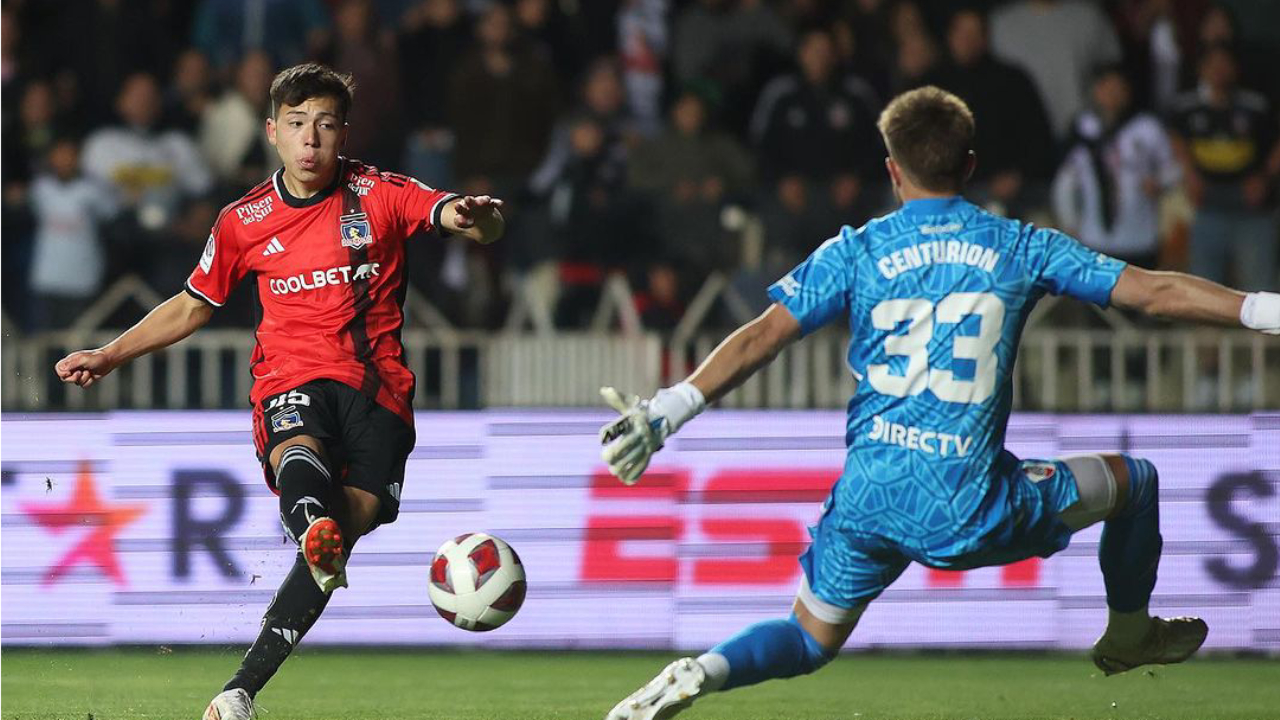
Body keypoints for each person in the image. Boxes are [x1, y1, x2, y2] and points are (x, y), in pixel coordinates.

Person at [597, 86, 1280, 720]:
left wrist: (668, 410)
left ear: (892, 170)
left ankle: (706, 672)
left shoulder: (858, 249)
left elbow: (761, 337)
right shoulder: (1020, 245)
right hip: (967, 505)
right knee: (1138, 482)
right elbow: (1154, 293)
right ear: (972, 164)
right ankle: (1130, 635)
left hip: (870, 497)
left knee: (807, 639)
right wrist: (1261, 307)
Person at [53, 63, 505, 720]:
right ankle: (307, 532)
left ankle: (241, 684)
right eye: (297, 125)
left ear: (343, 132)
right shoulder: (244, 220)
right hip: (290, 377)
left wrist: (478, 218)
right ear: (273, 132)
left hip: (379, 389)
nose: (311, 139)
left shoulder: (379, 192)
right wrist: (111, 353)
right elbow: (193, 302)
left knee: (356, 518)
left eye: (325, 124)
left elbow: (459, 218)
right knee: (299, 452)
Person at [1053, 66, 1180, 269]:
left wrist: (1159, 183)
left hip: (1140, 237)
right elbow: (1065, 181)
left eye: (1118, 88)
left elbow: (1173, 169)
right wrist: (1068, 222)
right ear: (1096, 91)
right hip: (1093, 238)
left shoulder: (1147, 127)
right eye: (1106, 88)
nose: (1112, 95)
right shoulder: (1082, 127)